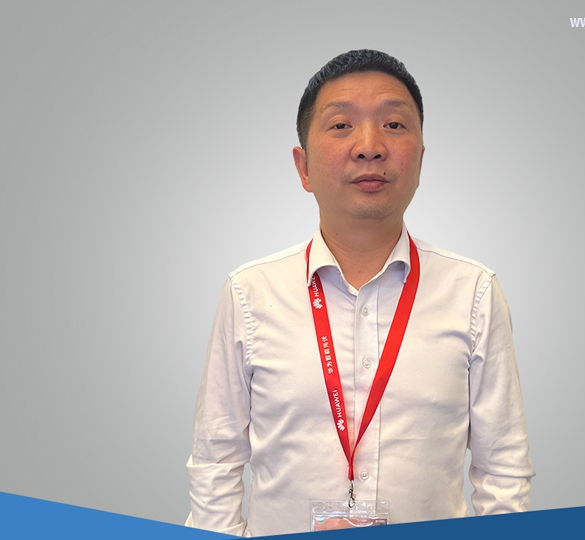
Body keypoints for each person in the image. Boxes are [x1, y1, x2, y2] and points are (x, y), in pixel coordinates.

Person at [185, 49, 535, 537]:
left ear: (420, 159)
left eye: (393, 124)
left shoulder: (473, 291)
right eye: (341, 125)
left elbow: (503, 469)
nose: (369, 146)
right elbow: (216, 460)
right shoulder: (249, 292)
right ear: (303, 168)